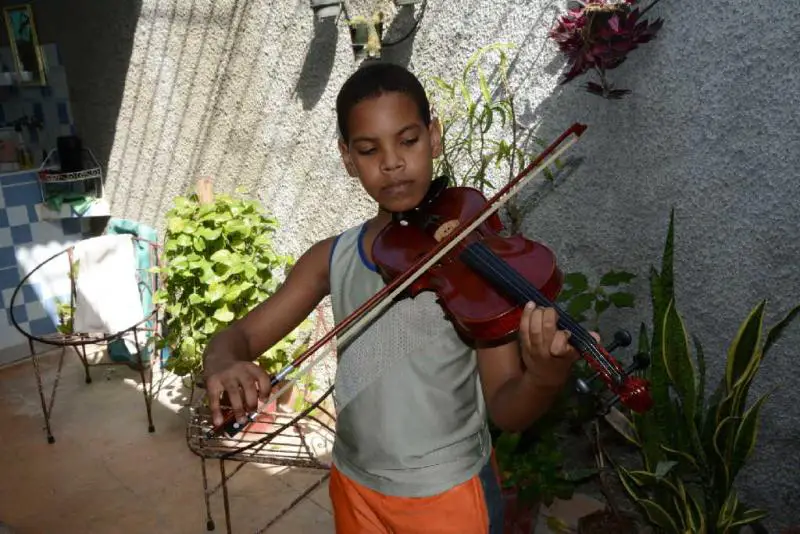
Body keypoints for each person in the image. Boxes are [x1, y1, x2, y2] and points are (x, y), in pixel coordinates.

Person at [202, 61, 590, 533]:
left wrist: (544, 379)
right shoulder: (331, 258)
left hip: (448, 495)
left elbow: (508, 409)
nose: (392, 162)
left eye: (408, 140)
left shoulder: (472, 264)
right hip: (354, 484)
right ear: (348, 159)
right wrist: (224, 362)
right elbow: (237, 335)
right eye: (369, 149)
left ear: (435, 137)